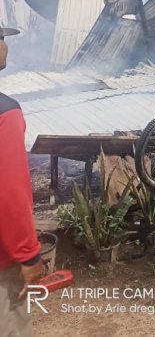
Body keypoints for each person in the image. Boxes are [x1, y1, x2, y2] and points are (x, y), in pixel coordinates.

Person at [0, 25, 44, 337]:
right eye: (2, 39)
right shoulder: (5, 112)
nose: (6, 47)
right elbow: (9, 193)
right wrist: (28, 254)